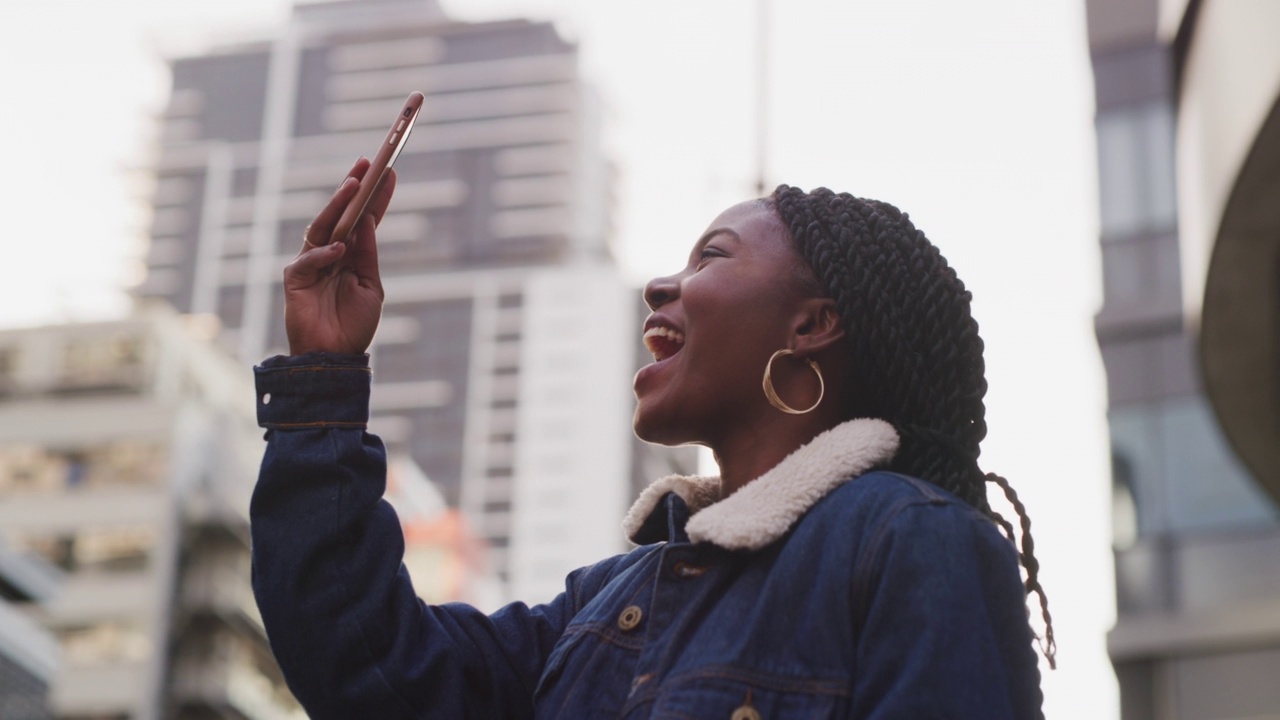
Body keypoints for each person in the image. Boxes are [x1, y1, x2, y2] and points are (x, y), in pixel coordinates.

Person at [251, 157, 1054, 719]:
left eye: (711, 256)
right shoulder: (603, 603)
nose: (661, 284)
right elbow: (374, 673)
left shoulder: (911, 540)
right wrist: (322, 374)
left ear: (812, 324)